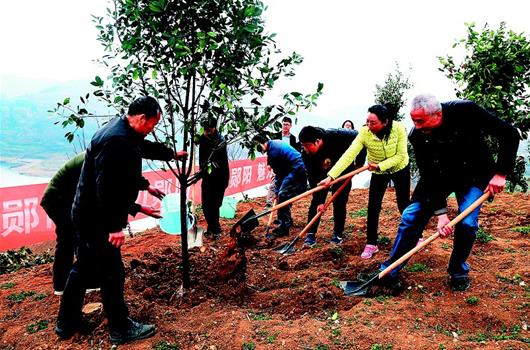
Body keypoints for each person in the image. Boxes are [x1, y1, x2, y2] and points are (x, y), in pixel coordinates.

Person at [56, 96, 188, 344]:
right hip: (97, 219)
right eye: (152, 124)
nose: (152, 129)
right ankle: (120, 328)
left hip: (86, 214)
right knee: (112, 272)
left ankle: (66, 323)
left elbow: (141, 149)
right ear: (141, 118)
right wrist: (114, 227)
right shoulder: (116, 140)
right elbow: (106, 189)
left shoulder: (123, 131)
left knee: (82, 269)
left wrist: (171, 154)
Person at [367, 94, 519, 292]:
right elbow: (429, 176)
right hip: (438, 179)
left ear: (437, 114)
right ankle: (390, 270)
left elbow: (509, 134)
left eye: (420, 120)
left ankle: (457, 270)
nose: (417, 126)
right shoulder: (417, 135)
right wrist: (441, 215)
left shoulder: (466, 111)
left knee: (467, 223)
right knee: (410, 217)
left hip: (473, 175)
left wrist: (500, 173)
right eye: (414, 120)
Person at [40, 152, 169, 296]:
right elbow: (104, 194)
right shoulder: (100, 160)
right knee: (71, 238)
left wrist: (147, 186)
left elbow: (126, 174)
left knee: (77, 237)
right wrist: (138, 208)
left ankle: (76, 281)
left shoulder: (112, 154)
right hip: (59, 198)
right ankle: (65, 284)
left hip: (74, 196)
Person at [319, 105, 410, 259]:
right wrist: (331, 177)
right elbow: (349, 154)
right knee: (373, 207)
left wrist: (380, 165)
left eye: (373, 123)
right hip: (378, 171)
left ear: (385, 122)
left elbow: (401, 155)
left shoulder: (399, 128)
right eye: (367, 121)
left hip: (399, 168)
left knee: (403, 204)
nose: (369, 126)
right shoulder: (364, 132)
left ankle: (415, 234)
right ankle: (371, 243)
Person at [298, 126, 366, 246]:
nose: (305, 149)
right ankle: (311, 234)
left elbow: (361, 137)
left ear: (318, 141)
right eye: (303, 145)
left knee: (339, 200)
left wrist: (359, 163)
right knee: (316, 202)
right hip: (321, 174)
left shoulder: (338, 135)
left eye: (308, 145)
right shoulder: (306, 153)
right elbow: (312, 178)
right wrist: (320, 201)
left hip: (342, 171)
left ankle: (338, 234)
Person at [254, 134, 307, 237]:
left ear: (262, 142)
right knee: (283, 195)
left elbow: (279, 174)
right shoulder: (273, 145)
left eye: (258, 146)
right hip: (293, 168)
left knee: (282, 195)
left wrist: (277, 191)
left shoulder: (273, 152)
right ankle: (286, 220)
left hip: (296, 168)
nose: (258, 149)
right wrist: (277, 191)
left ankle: (284, 227)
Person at [198, 118, 229, 240]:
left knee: (215, 204)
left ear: (214, 128)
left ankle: (216, 229)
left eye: (209, 130)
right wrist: (202, 169)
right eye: (205, 130)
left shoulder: (220, 142)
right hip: (207, 177)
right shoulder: (203, 138)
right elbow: (202, 158)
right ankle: (212, 228)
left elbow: (220, 164)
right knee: (206, 204)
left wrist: (208, 167)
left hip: (219, 177)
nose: (206, 132)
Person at [265, 116, 301, 207]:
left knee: (286, 186)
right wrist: (269, 164)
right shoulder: (275, 136)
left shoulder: (293, 138)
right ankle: (269, 203)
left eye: (287, 125)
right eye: (284, 124)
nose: (285, 126)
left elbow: (296, 152)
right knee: (274, 184)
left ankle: (283, 206)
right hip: (277, 164)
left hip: (289, 165)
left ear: (290, 126)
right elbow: (270, 151)